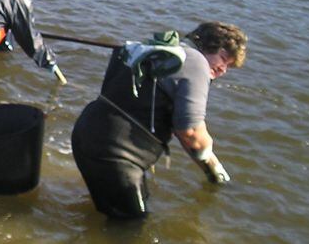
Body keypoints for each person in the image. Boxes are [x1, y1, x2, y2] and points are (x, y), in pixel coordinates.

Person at [70, 23, 248, 219]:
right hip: (117, 155)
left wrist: (210, 168)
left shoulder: (154, 50)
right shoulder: (197, 63)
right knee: (131, 230)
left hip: (85, 134)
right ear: (207, 45)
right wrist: (215, 167)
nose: (223, 69)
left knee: (110, 212)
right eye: (223, 58)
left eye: (229, 66)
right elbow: (191, 133)